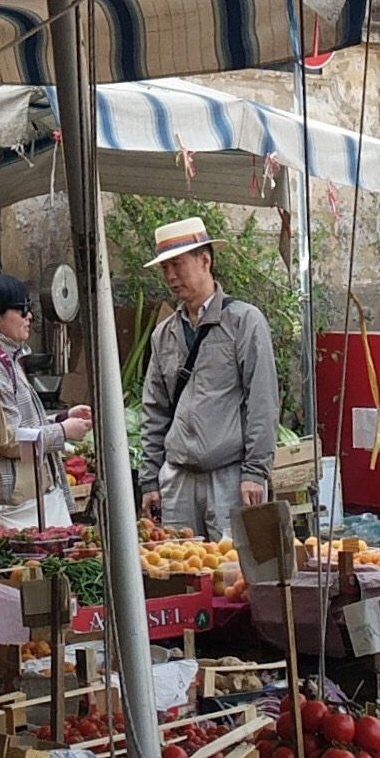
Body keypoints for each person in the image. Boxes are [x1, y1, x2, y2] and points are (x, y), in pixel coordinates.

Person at [137, 217, 280, 537]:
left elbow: (262, 402)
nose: (171, 276)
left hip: (229, 478)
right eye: (165, 268)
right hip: (177, 481)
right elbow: (154, 410)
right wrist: (149, 479)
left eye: (177, 265)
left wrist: (255, 473)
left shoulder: (244, 321)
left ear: (205, 260)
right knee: (182, 573)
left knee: (236, 574)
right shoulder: (165, 334)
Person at [0, 276, 89, 528]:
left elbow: (18, 425)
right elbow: (9, 441)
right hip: (11, 508)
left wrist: (61, 418)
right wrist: (62, 432)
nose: (29, 316)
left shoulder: (7, 359)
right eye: (22, 309)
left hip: (28, 500)